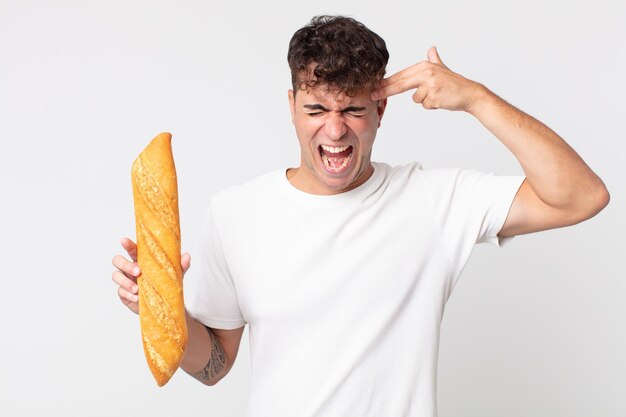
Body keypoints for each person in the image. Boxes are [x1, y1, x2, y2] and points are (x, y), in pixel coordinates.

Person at [112, 15, 609, 417]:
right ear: (290, 106)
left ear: (381, 109)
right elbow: (214, 365)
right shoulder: (236, 212)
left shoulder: (434, 200)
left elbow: (581, 196)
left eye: (351, 109)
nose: (334, 131)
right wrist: (163, 309)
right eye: (315, 109)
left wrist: (476, 99)